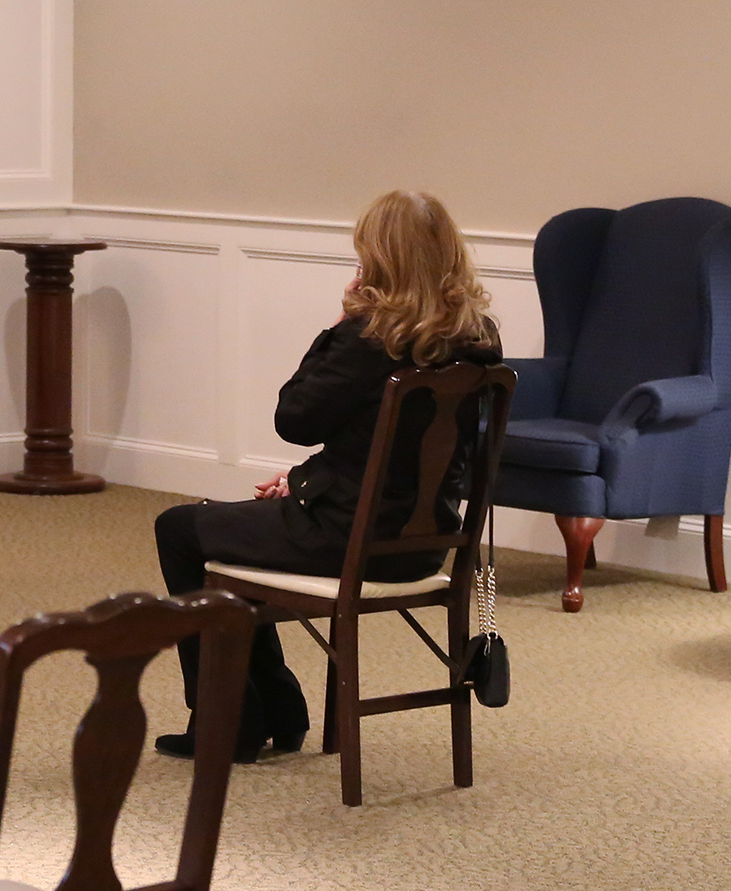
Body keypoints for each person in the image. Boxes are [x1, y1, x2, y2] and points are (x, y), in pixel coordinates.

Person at [152, 189, 504, 762]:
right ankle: (279, 712)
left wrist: (339, 323)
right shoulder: (478, 337)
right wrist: (306, 479)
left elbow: (293, 418)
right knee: (227, 524)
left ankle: (233, 720)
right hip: (425, 545)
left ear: (379, 261)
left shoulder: (369, 338)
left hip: (348, 541)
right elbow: (391, 450)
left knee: (182, 528)